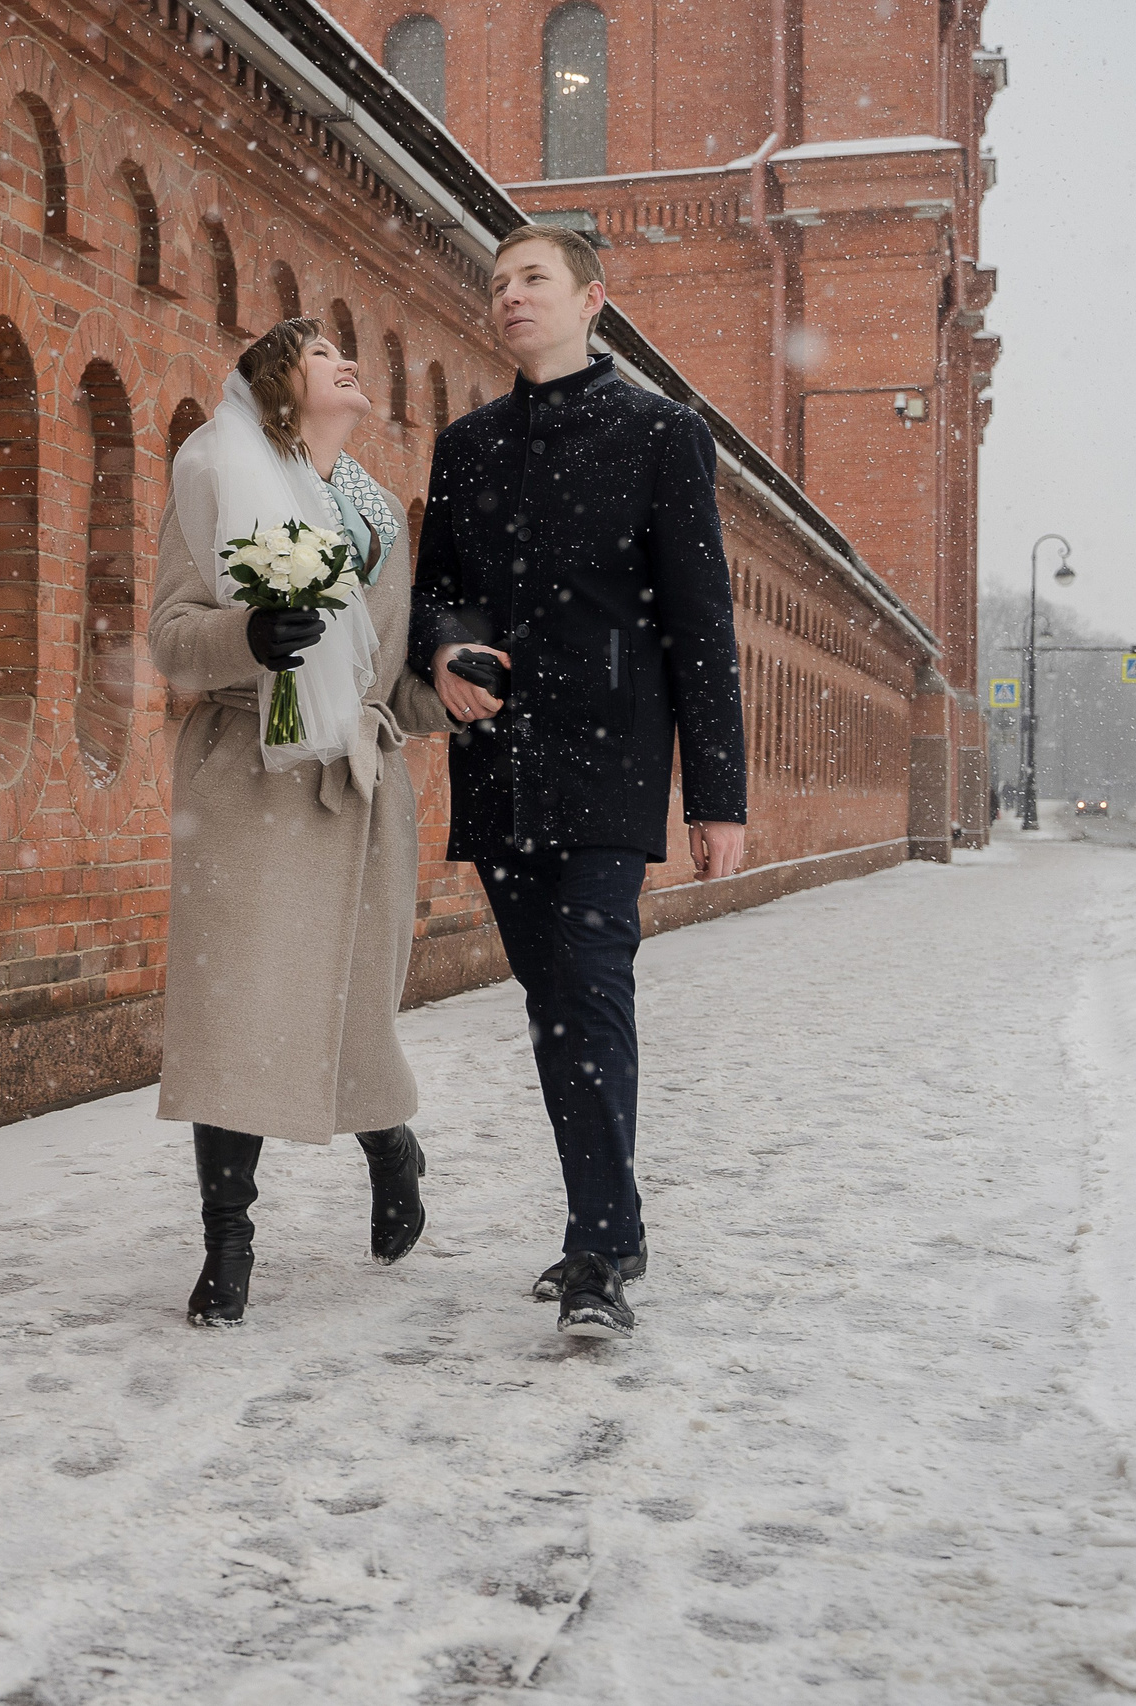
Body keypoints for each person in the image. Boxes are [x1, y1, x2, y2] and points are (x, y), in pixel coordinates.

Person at [409, 224, 748, 1339]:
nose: (510, 296)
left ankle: (594, 1248)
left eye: (533, 278)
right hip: (500, 767)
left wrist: (715, 795)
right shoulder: (466, 446)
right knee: (553, 1002)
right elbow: (437, 593)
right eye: (498, 282)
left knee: (593, 991)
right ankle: (618, 1217)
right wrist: (447, 653)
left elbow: (700, 628)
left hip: (608, 764)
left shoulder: (660, 436)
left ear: (590, 298)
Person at [149, 319, 456, 1327]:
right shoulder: (223, 484)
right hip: (245, 782)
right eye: (321, 351)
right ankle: (227, 1243)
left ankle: (390, 1144)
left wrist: (446, 694)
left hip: (355, 793)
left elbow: (388, 678)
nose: (347, 359)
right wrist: (252, 635)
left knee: (350, 1018)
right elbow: (173, 640)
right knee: (235, 1018)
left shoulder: (378, 515)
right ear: (278, 387)